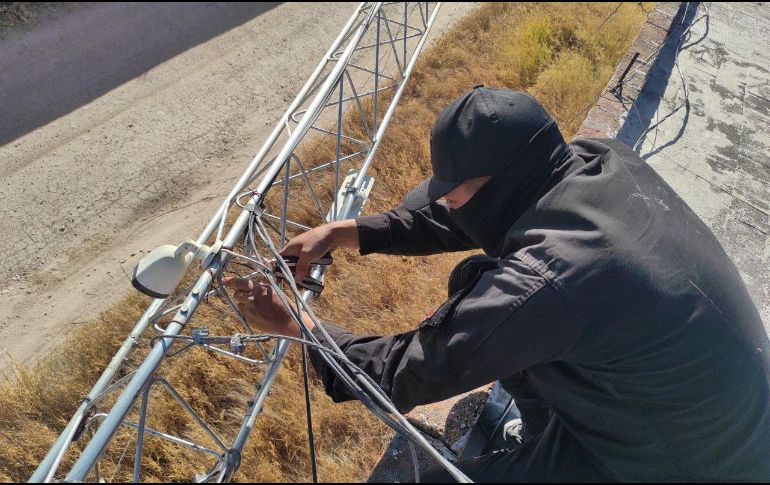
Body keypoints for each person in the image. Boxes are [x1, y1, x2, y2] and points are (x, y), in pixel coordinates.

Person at [224, 87, 770, 482]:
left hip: (678, 463)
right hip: (711, 412)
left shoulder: (549, 281)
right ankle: (542, 434)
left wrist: (294, 324)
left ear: (500, 184)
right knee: (474, 277)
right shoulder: (598, 162)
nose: (447, 206)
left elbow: (402, 372)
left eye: (456, 194)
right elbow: (455, 217)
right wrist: (338, 234)